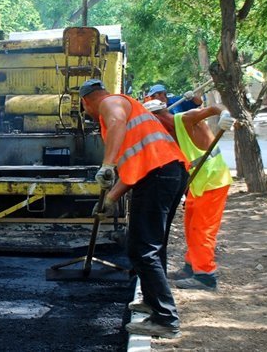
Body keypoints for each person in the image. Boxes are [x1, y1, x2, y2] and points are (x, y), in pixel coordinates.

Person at [80, 79, 189, 338]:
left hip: (158, 175)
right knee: (149, 245)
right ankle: (153, 302)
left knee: (143, 249)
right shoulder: (131, 113)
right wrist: (109, 200)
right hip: (165, 173)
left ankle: (166, 319)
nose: (87, 114)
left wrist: (107, 164)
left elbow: (116, 122)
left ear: (87, 101)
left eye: (84, 109)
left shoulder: (111, 103)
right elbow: (131, 172)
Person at [143, 99, 235, 291]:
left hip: (212, 181)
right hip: (197, 184)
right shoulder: (170, 132)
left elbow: (213, 108)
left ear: (158, 116)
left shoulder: (186, 118)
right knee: (191, 227)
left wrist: (224, 115)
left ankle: (205, 276)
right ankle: (191, 267)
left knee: (202, 230)